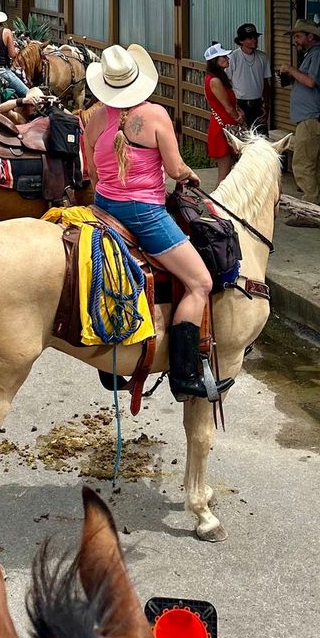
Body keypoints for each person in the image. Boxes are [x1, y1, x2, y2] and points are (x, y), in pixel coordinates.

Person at [83, 44, 229, 401]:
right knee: (199, 282)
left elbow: (90, 172)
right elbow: (175, 168)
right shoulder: (156, 116)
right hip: (144, 213)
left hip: (104, 208)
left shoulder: (95, 118)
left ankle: (114, 363)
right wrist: (191, 176)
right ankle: (184, 376)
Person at [276, 19, 320, 207]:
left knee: (301, 164)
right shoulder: (311, 55)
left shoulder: (317, 55)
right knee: (315, 166)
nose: (295, 40)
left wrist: (291, 70)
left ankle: (310, 207)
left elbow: (311, 82)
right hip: (309, 119)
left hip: (311, 118)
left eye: (298, 36)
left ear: (310, 36)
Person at [202, 43, 242, 183]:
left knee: (229, 172)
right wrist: (239, 118)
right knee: (224, 174)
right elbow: (228, 107)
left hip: (225, 126)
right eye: (223, 56)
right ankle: (217, 203)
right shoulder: (215, 81)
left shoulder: (217, 78)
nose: (227, 58)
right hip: (223, 128)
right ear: (215, 61)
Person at [227, 23, 271, 131]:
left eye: (255, 37)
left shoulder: (263, 57)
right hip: (240, 103)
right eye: (250, 38)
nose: (254, 40)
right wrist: (235, 107)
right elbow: (227, 84)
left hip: (257, 104)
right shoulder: (233, 57)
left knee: (261, 138)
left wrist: (267, 107)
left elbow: (266, 84)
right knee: (242, 140)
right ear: (241, 41)